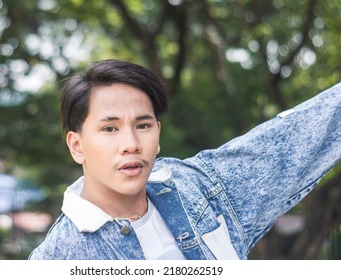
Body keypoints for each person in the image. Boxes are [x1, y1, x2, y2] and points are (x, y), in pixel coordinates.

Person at [29, 59, 340, 260]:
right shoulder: (59, 258)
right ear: (77, 145)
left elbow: (299, 136)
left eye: (143, 125)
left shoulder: (198, 188)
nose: (131, 144)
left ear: (158, 134)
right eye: (109, 128)